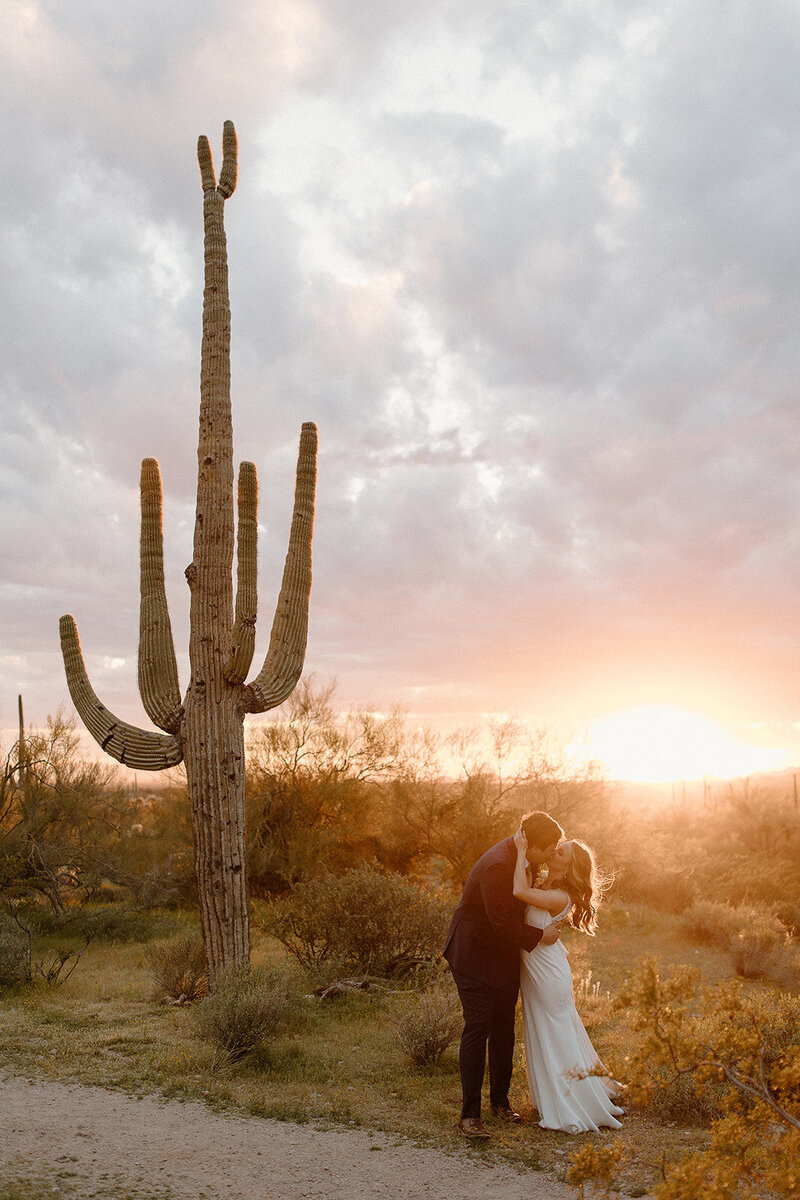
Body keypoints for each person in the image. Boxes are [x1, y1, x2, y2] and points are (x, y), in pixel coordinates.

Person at [443, 811, 566, 1138]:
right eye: (550, 847)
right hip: (473, 956)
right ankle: (470, 1116)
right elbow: (502, 924)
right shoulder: (499, 865)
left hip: (503, 957)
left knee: (503, 1031)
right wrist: (541, 937)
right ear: (533, 845)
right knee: (478, 1029)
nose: (553, 852)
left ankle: (500, 1101)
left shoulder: (526, 857)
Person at [512, 828, 624, 1133]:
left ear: (569, 867)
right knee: (547, 1031)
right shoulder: (545, 883)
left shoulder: (559, 896)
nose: (554, 852)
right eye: (556, 848)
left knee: (556, 1035)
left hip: (547, 974)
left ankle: (572, 1104)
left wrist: (522, 850)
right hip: (537, 970)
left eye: (560, 852)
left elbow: (519, 894)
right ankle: (563, 1096)